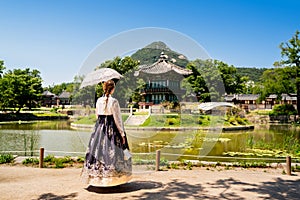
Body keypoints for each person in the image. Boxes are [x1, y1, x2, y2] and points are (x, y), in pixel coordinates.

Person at [81, 79, 132, 186]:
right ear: (112, 89)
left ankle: (97, 178)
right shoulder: (114, 102)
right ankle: (112, 179)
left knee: (97, 151)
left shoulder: (99, 100)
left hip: (99, 128)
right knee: (113, 152)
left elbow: (97, 116)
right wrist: (122, 134)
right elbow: (117, 119)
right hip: (111, 128)